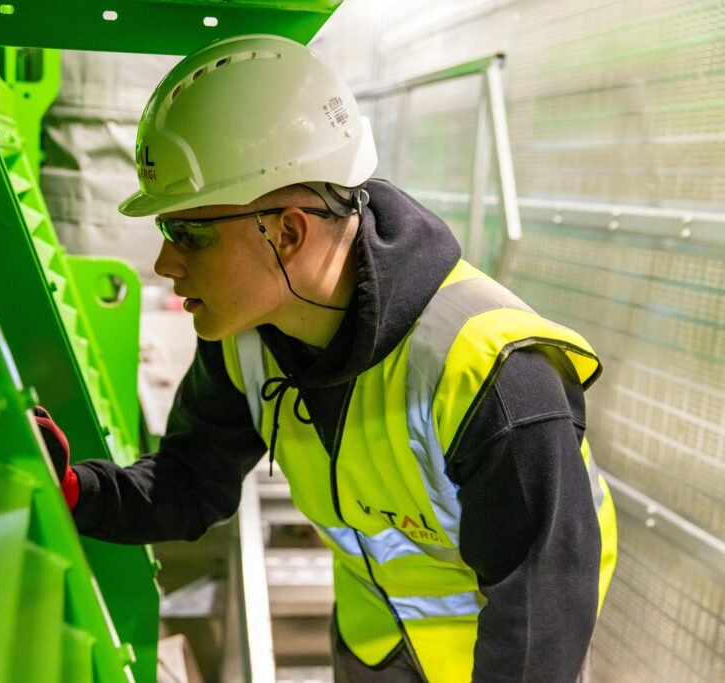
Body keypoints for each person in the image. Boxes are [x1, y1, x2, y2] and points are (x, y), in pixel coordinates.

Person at [37, 34, 618, 682]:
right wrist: (75, 489)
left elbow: (542, 616)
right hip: (371, 648)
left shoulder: (493, 378)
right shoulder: (247, 344)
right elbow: (186, 486)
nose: (165, 263)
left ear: (287, 231)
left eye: (188, 232)